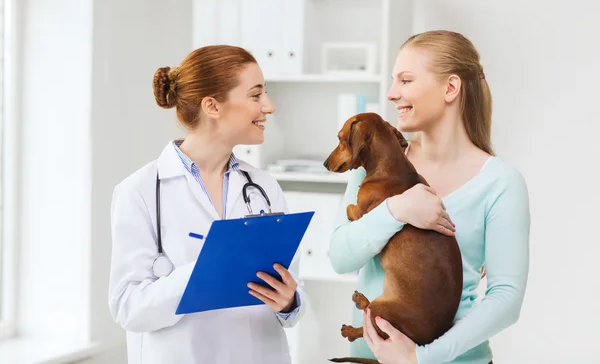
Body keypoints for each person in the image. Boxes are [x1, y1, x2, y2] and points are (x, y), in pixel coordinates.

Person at [328, 30, 530, 364]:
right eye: (394, 81)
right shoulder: (376, 167)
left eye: (406, 80)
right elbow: (339, 257)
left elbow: (506, 298)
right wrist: (395, 210)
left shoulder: (501, 183)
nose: (392, 94)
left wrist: (422, 357)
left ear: (450, 88)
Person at [108, 45, 306, 364]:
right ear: (212, 106)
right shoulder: (140, 191)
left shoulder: (265, 188)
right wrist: (203, 272)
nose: (268, 106)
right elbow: (128, 307)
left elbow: (293, 297)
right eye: (256, 95)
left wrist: (289, 302)